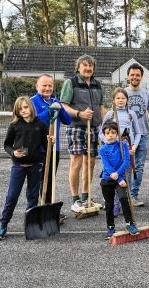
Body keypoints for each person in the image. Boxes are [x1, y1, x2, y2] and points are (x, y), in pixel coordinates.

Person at [0, 96, 50, 240]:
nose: (23, 111)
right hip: (18, 166)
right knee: (12, 196)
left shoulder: (41, 124)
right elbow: (6, 144)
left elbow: (46, 145)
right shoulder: (14, 125)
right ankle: (3, 224)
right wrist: (13, 152)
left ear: (31, 107)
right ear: (17, 111)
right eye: (20, 109)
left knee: (32, 197)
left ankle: (30, 226)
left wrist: (50, 142)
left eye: (25, 107)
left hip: (35, 165)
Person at [60, 54, 105, 213]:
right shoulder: (70, 83)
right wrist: (79, 114)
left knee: (90, 163)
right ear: (78, 67)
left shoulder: (98, 84)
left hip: (93, 128)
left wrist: (105, 125)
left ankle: (86, 197)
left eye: (90, 66)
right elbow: (63, 105)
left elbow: (100, 107)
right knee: (76, 162)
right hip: (76, 127)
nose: (88, 68)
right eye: (84, 65)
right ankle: (75, 200)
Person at [30, 74, 71, 223]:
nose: (47, 88)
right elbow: (33, 121)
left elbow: (67, 120)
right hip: (38, 148)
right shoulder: (32, 102)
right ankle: (36, 211)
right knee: (39, 180)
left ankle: (48, 209)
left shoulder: (55, 100)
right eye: (44, 85)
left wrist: (60, 107)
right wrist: (49, 111)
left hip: (54, 147)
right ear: (37, 86)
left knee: (50, 180)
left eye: (50, 86)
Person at [99, 88, 141, 217]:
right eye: (118, 98)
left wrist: (134, 146)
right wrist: (109, 143)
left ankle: (125, 204)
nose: (121, 100)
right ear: (114, 100)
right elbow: (102, 133)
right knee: (114, 177)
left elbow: (138, 132)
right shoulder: (110, 114)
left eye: (123, 98)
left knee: (125, 178)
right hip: (113, 151)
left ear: (127, 100)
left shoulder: (131, 114)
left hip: (127, 149)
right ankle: (115, 204)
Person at [99, 121, 139, 240]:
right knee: (109, 204)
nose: (110, 135)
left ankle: (129, 223)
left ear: (117, 134)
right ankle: (110, 227)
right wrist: (115, 175)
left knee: (123, 198)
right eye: (107, 133)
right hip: (107, 180)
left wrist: (119, 177)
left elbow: (126, 162)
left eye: (113, 132)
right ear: (104, 135)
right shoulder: (103, 149)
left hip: (119, 178)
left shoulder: (123, 145)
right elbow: (106, 165)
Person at [125, 63, 149, 207]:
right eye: (132, 75)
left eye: (137, 75)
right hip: (126, 136)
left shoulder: (147, 94)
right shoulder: (123, 93)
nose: (135, 77)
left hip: (143, 135)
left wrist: (142, 127)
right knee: (126, 165)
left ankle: (134, 195)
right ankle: (125, 194)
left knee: (139, 166)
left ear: (141, 77)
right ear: (128, 76)